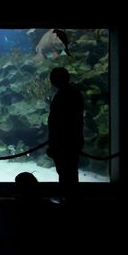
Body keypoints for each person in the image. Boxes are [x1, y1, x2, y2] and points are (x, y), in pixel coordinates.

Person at [47, 67, 84, 204]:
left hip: (62, 142)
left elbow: (56, 123)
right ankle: (70, 198)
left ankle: (67, 199)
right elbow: (78, 119)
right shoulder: (75, 93)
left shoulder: (62, 96)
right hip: (73, 139)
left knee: (65, 172)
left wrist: (53, 143)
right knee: (71, 171)